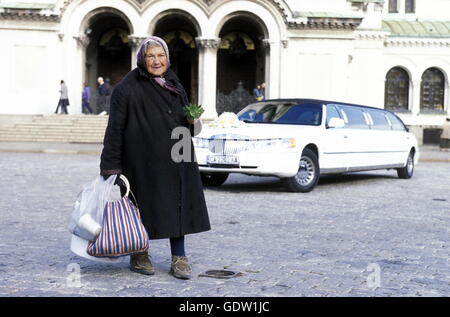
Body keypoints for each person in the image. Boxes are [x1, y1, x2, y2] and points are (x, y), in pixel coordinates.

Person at [99, 36, 210, 280]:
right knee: (141, 208)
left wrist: (193, 121)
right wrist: (111, 167)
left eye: (161, 56)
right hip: (141, 159)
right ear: (142, 59)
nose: (156, 61)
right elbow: (114, 129)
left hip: (178, 156)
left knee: (178, 206)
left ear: (167, 58)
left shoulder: (174, 83)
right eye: (151, 56)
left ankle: (179, 257)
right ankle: (139, 253)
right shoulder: (127, 88)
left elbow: (187, 125)